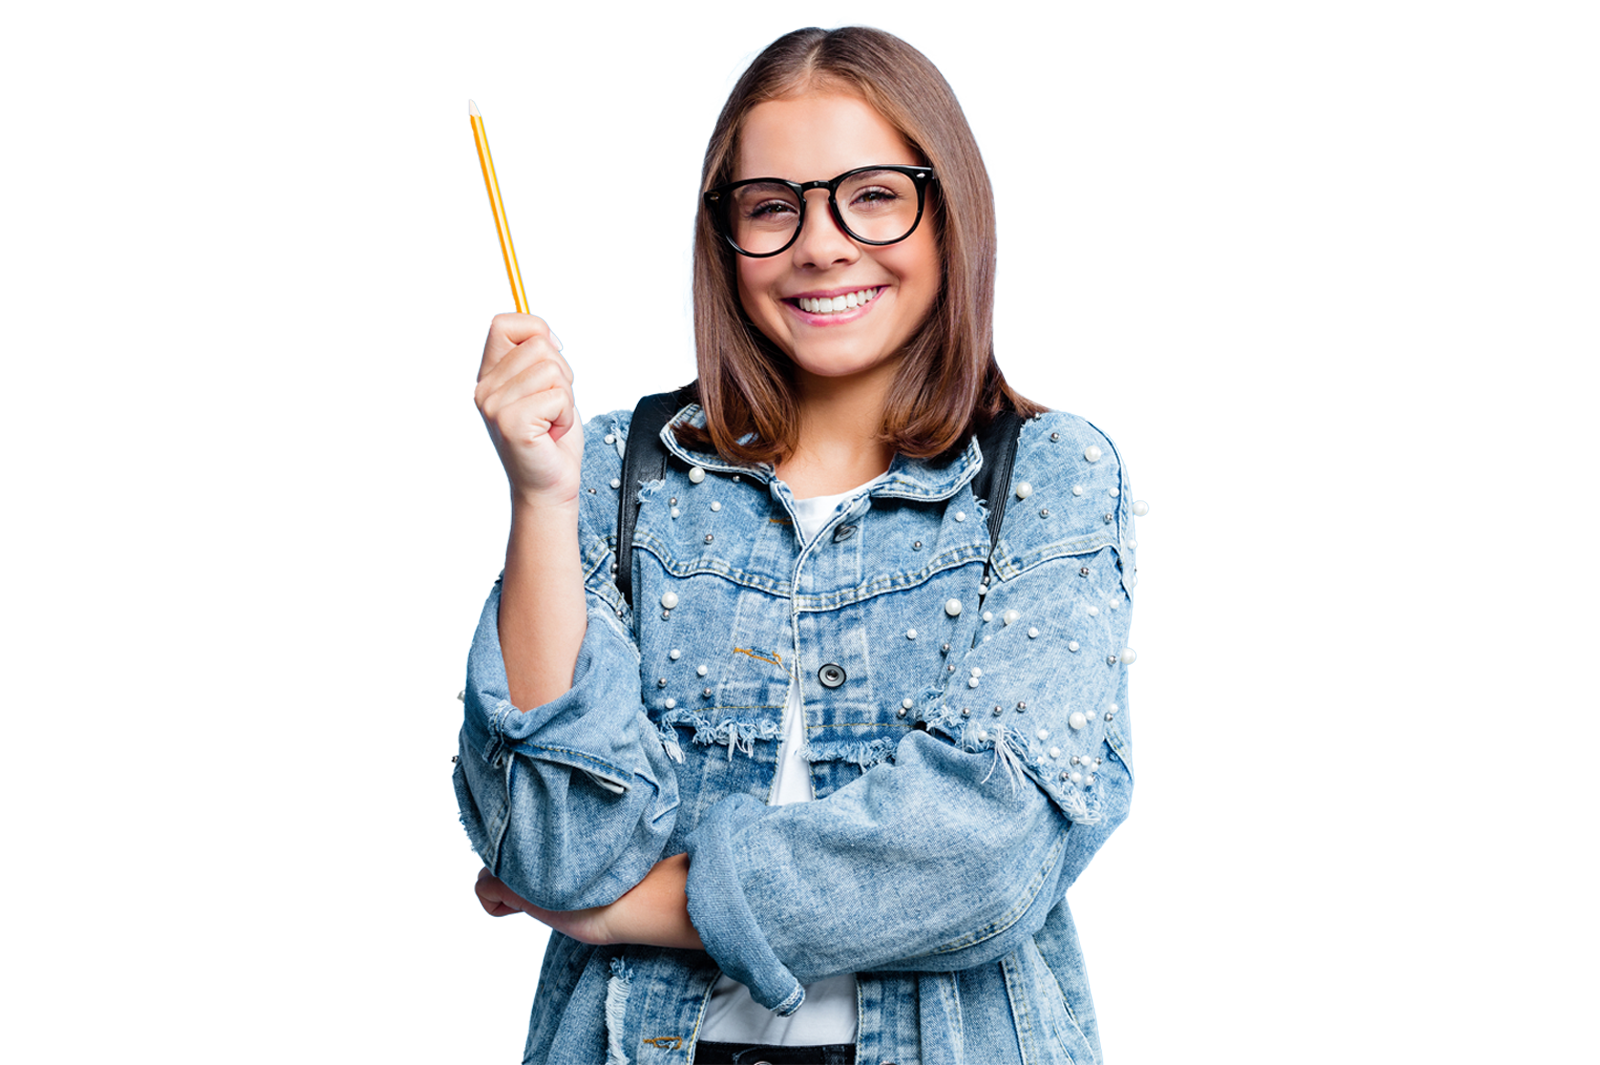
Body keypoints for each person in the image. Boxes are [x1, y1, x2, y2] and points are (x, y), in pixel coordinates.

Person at [455, 25, 1137, 1065]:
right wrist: (543, 498)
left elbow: (980, 859)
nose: (820, 244)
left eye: (871, 195)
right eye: (773, 207)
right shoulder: (615, 475)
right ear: (724, 238)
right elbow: (549, 845)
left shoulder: (1050, 475)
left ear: (946, 211)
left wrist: (639, 908)